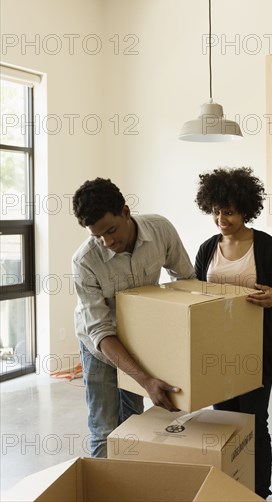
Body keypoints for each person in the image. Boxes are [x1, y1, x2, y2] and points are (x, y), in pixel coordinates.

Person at [72, 178, 195, 458]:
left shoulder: (160, 230)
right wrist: (146, 379)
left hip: (138, 340)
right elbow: (101, 332)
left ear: (126, 212)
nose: (107, 242)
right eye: (97, 236)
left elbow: (186, 281)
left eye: (112, 231)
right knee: (104, 430)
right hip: (100, 348)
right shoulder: (84, 261)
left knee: (134, 423)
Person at [194, 167, 272, 500]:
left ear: (245, 210)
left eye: (230, 212)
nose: (222, 218)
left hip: (256, 353)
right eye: (217, 211)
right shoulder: (207, 249)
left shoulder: (266, 247)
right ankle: (230, 490)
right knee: (225, 425)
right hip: (217, 355)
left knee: (253, 423)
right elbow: (194, 300)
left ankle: (260, 494)